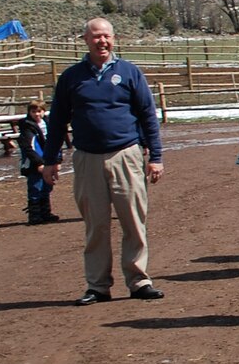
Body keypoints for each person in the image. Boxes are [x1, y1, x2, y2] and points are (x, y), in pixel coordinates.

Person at [40, 17, 164, 305]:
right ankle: (97, 286)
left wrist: (155, 156)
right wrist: (50, 159)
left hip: (126, 155)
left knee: (134, 221)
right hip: (87, 159)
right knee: (95, 225)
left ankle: (139, 280)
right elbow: (57, 120)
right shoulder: (72, 77)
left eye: (106, 36)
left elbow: (148, 116)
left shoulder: (129, 72)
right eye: (96, 36)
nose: (102, 41)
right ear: (85, 40)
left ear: (114, 38)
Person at [17, 101, 58, 224]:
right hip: (34, 163)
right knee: (35, 187)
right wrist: (39, 163)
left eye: (39, 111)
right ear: (29, 113)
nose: (36, 114)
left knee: (47, 186)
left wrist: (56, 160)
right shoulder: (27, 127)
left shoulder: (48, 124)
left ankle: (45, 212)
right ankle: (34, 214)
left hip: (48, 160)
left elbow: (55, 142)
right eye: (33, 111)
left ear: (43, 111)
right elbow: (29, 147)